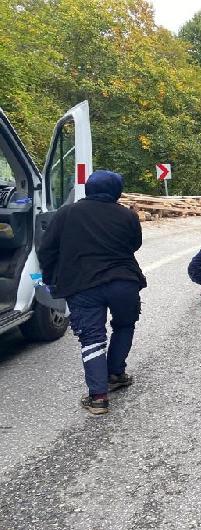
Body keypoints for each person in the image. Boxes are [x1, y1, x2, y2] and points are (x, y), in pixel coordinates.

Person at [37, 170, 147, 416]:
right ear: (116, 191)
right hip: (124, 281)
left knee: (92, 338)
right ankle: (116, 373)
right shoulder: (127, 215)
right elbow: (135, 245)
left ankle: (98, 398)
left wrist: (50, 279)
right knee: (124, 325)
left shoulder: (66, 213)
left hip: (83, 285)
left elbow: (47, 249)